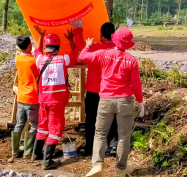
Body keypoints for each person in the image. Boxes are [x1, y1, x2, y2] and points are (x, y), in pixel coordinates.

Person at [79, 28, 145, 177]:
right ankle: (121, 169)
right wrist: (140, 103)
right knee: (123, 135)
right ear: (128, 44)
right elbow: (136, 85)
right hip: (125, 101)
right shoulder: (131, 60)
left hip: (105, 100)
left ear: (115, 40)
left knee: (100, 133)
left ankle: (97, 165)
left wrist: (88, 45)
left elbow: (83, 56)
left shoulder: (104, 54)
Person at [31, 25, 78, 170]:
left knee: (43, 126)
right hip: (56, 101)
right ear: (57, 47)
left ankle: (36, 153)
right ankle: (47, 161)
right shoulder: (63, 60)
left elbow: (37, 50)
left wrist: (40, 36)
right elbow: (75, 54)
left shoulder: (40, 60)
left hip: (43, 100)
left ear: (47, 47)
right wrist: (71, 39)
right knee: (56, 129)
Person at [70, 19, 118, 156]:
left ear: (101, 35)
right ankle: (113, 145)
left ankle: (90, 146)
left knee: (91, 119)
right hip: (111, 91)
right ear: (113, 35)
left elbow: (80, 48)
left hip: (93, 90)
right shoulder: (118, 49)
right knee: (113, 118)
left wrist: (79, 28)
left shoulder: (95, 48)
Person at [12, 36, 40, 159]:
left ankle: (15, 151)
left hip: (21, 97)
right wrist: (41, 37)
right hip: (32, 98)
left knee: (19, 123)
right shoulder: (34, 60)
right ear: (30, 46)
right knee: (34, 124)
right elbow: (39, 53)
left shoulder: (18, 59)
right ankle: (28, 152)